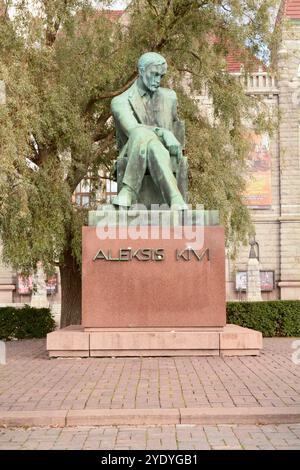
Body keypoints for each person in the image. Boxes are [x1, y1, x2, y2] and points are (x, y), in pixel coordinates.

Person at [111, 52, 187, 209]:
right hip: (133, 152)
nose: (158, 80)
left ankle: (128, 190)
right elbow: (133, 130)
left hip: (165, 153)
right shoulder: (120, 102)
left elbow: (177, 127)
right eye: (154, 74)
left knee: (152, 144)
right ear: (141, 71)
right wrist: (164, 133)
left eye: (161, 76)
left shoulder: (170, 97)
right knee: (140, 134)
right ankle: (175, 196)